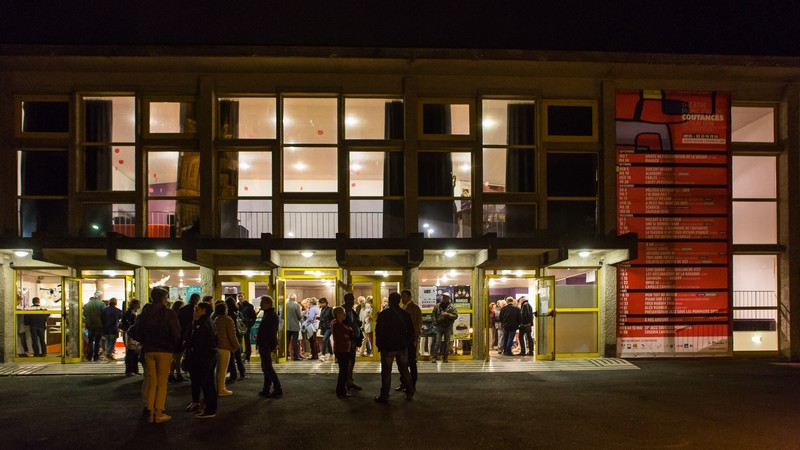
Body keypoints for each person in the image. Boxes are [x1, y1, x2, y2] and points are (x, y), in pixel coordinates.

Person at [129, 287, 181, 424]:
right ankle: (159, 412)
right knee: (162, 382)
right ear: (164, 298)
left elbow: (134, 330)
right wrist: (171, 345)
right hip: (165, 351)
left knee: (152, 381)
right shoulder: (169, 313)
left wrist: (144, 341)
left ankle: (150, 410)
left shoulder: (145, 313)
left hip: (149, 349)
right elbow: (176, 332)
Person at [374, 292, 414, 403]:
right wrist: (407, 343)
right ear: (399, 301)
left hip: (387, 347)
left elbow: (378, 331)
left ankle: (384, 395)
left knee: (386, 372)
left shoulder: (384, 314)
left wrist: (379, 345)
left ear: (390, 301)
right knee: (404, 370)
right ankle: (410, 391)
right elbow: (411, 331)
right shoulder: (405, 314)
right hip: (401, 346)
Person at [185, 302, 218, 419]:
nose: (195, 310)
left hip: (204, 357)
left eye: (198, 308)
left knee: (206, 382)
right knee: (202, 381)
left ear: (204, 310)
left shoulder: (204, 323)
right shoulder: (200, 322)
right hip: (204, 356)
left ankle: (210, 409)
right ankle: (200, 404)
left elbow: (201, 342)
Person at [255, 295, 282, 398]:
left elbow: (271, 332)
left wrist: (274, 345)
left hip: (266, 344)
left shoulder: (270, 315)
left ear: (268, 304)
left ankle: (277, 387)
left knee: (267, 367)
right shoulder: (269, 314)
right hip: (265, 344)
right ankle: (267, 388)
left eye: (262, 303)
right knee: (266, 367)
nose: (260, 305)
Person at [397, 289, 421, 392]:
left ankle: (412, 385)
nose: (402, 299)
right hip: (403, 339)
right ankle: (404, 383)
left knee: (411, 362)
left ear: (409, 297)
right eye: (401, 297)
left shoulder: (414, 308)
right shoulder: (403, 307)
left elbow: (417, 324)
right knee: (403, 363)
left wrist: (415, 338)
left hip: (410, 339)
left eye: (404, 296)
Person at [214, 302, 239, 397]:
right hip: (225, 347)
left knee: (218, 369)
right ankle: (221, 389)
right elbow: (232, 335)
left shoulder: (216, 320)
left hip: (217, 347)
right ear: (225, 310)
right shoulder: (228, 320)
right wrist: (236, 346)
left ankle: (218, 388)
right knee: (223, 369)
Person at [330, 306, 352, 398]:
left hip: (340, 349)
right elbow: (349, 331)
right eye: (343, 312)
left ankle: (341, 390)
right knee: (343, 371)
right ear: (338, 314)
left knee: (343, 371)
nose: (345, 314)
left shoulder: (335, 323)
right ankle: (341, 391)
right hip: (342, 350)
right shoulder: (338, 325)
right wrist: (349, 330)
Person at [342, 293, 363, 391]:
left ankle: (350, 382)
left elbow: (354, 322)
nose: (353, 301)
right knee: (347, 362)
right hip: (347, 340)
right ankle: (346, 383)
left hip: (353, 339)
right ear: (346, 300)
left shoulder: (351, 311)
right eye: (351, 299)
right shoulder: (343, 310)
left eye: (353, 299)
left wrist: (358, 323)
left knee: (351, 361)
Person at [430, 293, 458, 363]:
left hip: (448, 326)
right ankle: (434, 357)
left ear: (448, 298)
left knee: (447, 343)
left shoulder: (452, 307)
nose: (444, 298)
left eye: (446, 297)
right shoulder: (437, 306)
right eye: (443, 297)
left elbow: (456, 316)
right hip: (439, 326)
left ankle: (445, 357)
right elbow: (433, 314)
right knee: (437, 342)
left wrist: (448, 315)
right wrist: (435, 322)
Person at [225, 296, 246, 381]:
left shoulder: (227, 314)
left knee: (232, 357)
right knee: (238, 356)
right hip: (238, 336)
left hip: (231, 336)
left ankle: (233, 375)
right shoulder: (237, 312)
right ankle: (242, 373)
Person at [119, 299, 141, 376]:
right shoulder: (129, 313)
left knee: (134, 352)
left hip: (133, 334)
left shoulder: (133, 312)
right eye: (138, 304)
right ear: (134, 304)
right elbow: (125, 322)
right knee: (131, 352)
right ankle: (130, 370)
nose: (139, 306)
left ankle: (134, 369)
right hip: (130, 334)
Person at [83, 294, 105, 361]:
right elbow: (104, 314)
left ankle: (89, 356)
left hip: (90, 325)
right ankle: (96, 356)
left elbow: (84, 314)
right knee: (97, 341)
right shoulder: (101, 304)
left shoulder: (87, 305)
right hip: (99, 325)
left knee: (90, 340)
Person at [168, 300, 185, 382]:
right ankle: (178, 374)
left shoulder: (172, 315)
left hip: (173, 339)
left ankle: (172, 374)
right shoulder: (178, 316)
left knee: (175, 357)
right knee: (177, 357)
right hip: (177, 339)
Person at [238, 294, 257, 362]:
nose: (240, 298)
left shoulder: (249, 306)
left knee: (247, 341)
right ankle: (240, 355)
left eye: (241, 296)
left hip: (246, 325)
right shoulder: (237, 306)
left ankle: (247, 356)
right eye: (239, 296)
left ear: (244, 297)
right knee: (239, 341)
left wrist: (250, 325)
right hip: (239, 326)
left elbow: (254, 317)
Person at [285, 293, 303, 360]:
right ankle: (296, 356)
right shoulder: (296, 306)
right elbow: (299, 316)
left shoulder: (285, 305)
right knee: (295, 342)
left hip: (287, 326)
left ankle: (286, 356)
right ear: (295, 298)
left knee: (287, 341)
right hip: (295, 326)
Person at [318, 297, 334, 362]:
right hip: (324, 327)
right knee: (327, 341)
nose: (320, 305)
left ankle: (323, 355)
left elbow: (333, 318)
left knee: (324, 339)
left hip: (329, 327)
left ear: (324, 303)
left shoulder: (330, 309)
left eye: (320, 303)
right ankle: (331, 353)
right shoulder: (322, 310)